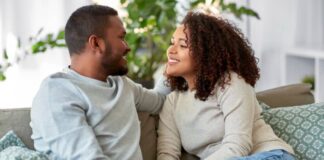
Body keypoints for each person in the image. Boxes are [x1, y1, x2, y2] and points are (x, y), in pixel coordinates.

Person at [30, 5, 169, 160]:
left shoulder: (122, 85)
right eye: (121, 38)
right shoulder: (57, 92)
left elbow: (161, 101)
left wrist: (173, 65)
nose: (127, 47)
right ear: (96, 43)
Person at [157, 11, 295, 160]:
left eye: (183, 45)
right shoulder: (172, 102)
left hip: (269, 156)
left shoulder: (230, 83)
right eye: (172, 42)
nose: (171, 50)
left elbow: (238, 146)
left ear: (206, 53)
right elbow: (167, 154)